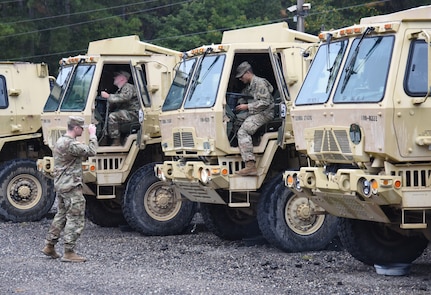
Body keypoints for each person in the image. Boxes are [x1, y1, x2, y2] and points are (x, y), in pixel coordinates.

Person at [42, 116, 97, 262]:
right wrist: (92, 134)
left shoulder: (60, 141)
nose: (83, 130)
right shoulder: (71, 144)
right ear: (76, 128)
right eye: (82, 128)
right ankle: (69, 252)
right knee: (76, 217)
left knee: (61, 215)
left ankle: (49, 245)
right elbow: (92, 151)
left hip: (61, 184)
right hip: (71, 186)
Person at [234, 61, 274, 176]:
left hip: (265, 113)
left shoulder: (260, 83)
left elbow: (265, 102)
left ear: (247, 73)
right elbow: (243, 94)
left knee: (243, 131)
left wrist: (246, 106)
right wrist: (241, 102)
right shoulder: (250, 85)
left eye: (241, 76)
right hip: (256, 111)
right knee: (237, 121)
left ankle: (250, 165)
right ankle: (245, 148)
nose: (240, 79)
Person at [100, 71, 139, 146]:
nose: (114, 78)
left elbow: (125, 97)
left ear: (122, 78)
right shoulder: (119, 90)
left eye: (116, 76)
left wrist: (108, 96)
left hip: (133, 113)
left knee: (113, 116)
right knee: (104, 117)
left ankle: (116, 142)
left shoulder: (128, 87)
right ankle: (104, 139)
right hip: (127, 113)